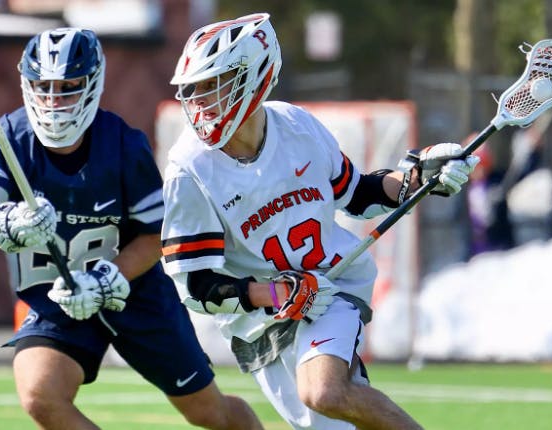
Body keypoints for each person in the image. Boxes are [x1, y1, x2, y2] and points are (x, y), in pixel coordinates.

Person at [160, 13, 479, 430]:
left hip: (333, 285)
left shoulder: (296, 127)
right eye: (193, 91)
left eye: (212, 86)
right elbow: (197, 287)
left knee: (324, 391)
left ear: (254, 77)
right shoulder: (190, 170)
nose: (200, 103)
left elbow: (357, 194)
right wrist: (275, 293)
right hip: (262, 322)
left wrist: (417, 180)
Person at [0, 27, 263, 430]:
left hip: (134, 295)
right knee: (40, 394)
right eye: (43, 87)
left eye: (68, 87)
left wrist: (108, 278)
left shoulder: (121, 145)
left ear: (92, 84)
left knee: (210, 413)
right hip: (57, 299)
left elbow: (157, 235)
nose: (54, 101)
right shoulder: (5, 141)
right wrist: (6, 223)